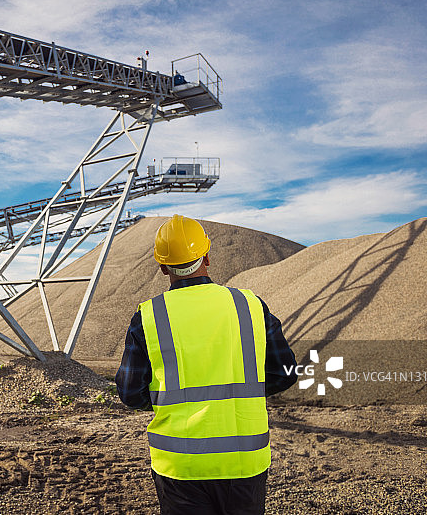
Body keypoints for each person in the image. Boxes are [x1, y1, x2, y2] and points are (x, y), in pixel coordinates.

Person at [115, 215, 297, 515]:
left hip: (180, 466)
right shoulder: (249, 305)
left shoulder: (150, 316)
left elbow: (130, 393)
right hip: (244, 461)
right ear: (207, 256)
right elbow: (284, 372)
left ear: (163, 267)